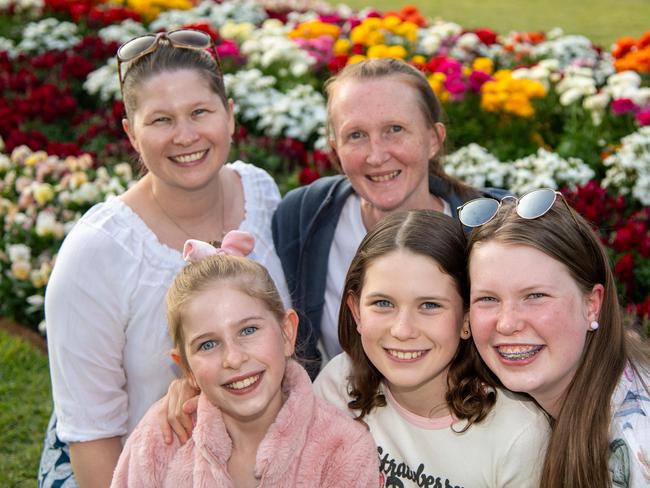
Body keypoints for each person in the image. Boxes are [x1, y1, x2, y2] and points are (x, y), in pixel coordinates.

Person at [38, 29, 289, 488]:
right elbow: (93, 437)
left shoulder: (261, 194)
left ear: (230, 116)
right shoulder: (96, 254)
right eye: (161, 120)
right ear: (131, 133)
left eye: (199, 112)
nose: (186, 136)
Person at [272, 57, 506, 374]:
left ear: (433, 139)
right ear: (335, 150)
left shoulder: (490, 228)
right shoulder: (303, 215)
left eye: (394, 130)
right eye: (356, 135)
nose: (376, 155)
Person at [111, 237, 380, 487]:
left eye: (248, 330)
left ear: (287, 332)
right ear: (186, 368)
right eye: (208, 344)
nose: (234, 358)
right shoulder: (158, 441)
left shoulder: (343, 448)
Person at [313, 209, 550, 487]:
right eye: (383, 303)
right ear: (356, 313)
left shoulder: (517, 436)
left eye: (429, 305)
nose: (402, 330)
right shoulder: (339, 386)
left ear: (466, 318)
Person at [461, 188, 650, 488]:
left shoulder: (636, 446)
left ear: (592, 304)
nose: (508, 323)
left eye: (535, 296)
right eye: (487, 299)